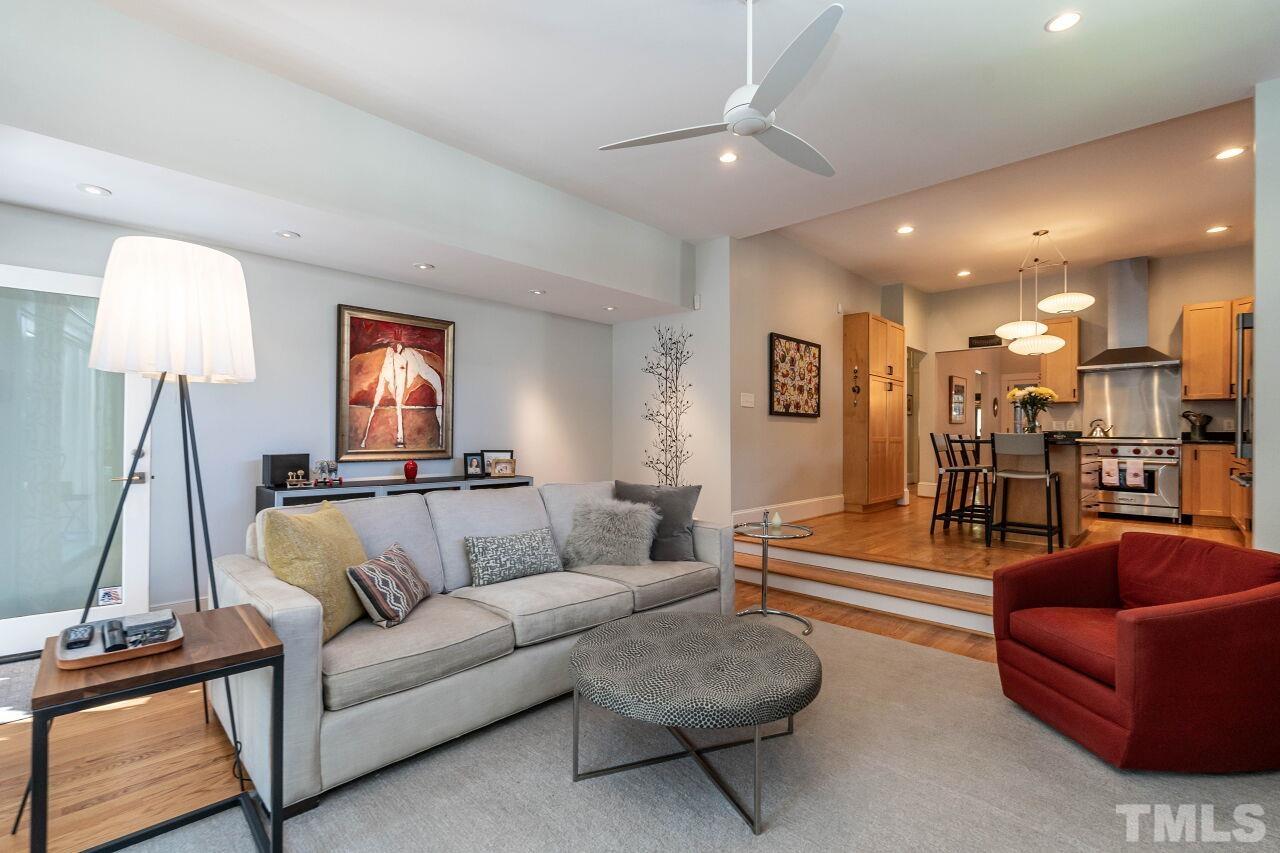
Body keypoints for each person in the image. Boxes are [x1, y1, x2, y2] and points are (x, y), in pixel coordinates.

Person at [360, 341, 443, 449]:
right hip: (397, 380)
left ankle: (402, 438)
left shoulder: (411, 356)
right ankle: (399, 438)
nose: (395, 348)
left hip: (410, 374)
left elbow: (424, 371)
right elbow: (380, 387)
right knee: (388, 400)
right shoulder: (389, 360)